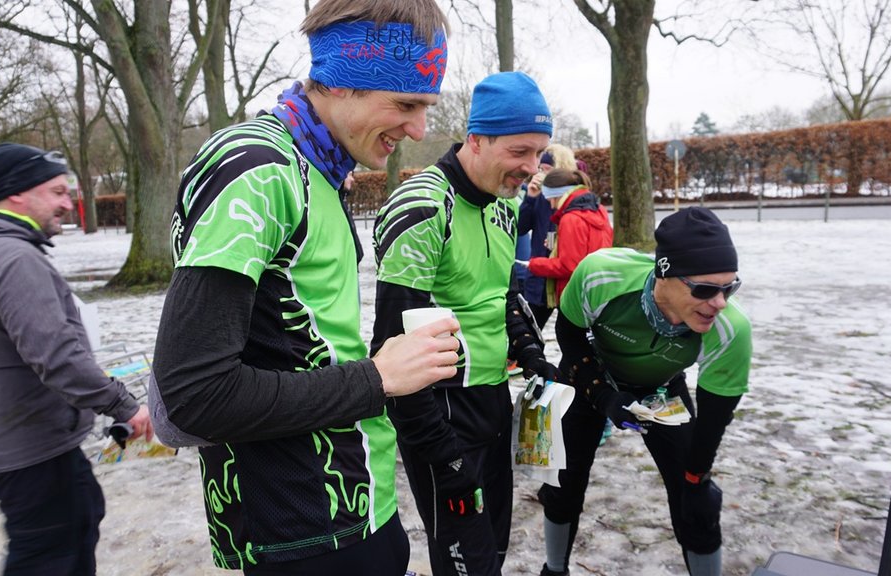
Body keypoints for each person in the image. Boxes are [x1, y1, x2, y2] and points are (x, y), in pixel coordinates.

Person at [149, 2, 461, 574]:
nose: (419, 130)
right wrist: (378, 377)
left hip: (358, 504)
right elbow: (195, 396)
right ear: (340, 83)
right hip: (299, 527)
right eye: (405, 104)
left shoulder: (317, 165)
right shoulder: (259, 169)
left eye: (426, 107)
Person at [371, 70, 561, 576]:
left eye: (540, 152)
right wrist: (440, 454)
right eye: (520, 151)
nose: (532, 167)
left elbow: (501, 294)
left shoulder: (504, 204)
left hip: (491, 402)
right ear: (477, 139)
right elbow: (391, 347)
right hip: (441, 413)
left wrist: (530, 350)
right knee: (466, 565)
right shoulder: (422, 206)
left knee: (492, 552)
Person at [537, 207, 751, 576]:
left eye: (729, 288)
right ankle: (554, 570)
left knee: (695, 504)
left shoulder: (730, 328)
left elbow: (713, 421)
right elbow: (569, 335)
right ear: (664, 274)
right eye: (705, 289)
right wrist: (604, 396)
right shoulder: (601, 274)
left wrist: (696, 480)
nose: (719, 303)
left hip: (661, 388)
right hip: (589, 374)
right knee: (564, 485)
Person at [0, 143, 153, 575]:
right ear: (17, 193)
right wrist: (124, 405)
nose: (67, 203)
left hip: (8, 435)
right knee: (53, 552)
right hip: (26, 440)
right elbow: (56, 356)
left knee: (76, 521)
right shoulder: (12, 257)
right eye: (55, 192)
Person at [525, 167, 613, 310]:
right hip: (594, 290)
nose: (551, 205)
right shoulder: (598, 209)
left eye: (550, 199)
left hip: (573, 295)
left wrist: (534, 264)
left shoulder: (570, 218)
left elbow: (569, 266)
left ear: (558, 195)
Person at [518, 143, 578, 330]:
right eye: (540, 169)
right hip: (539, 277)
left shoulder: (574, 199)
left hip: (564, 280)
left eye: (547, 169)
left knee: (568, 334)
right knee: (529, 330)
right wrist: (530, 198)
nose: (542, 174)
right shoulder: (538, 196)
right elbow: (520, 228)